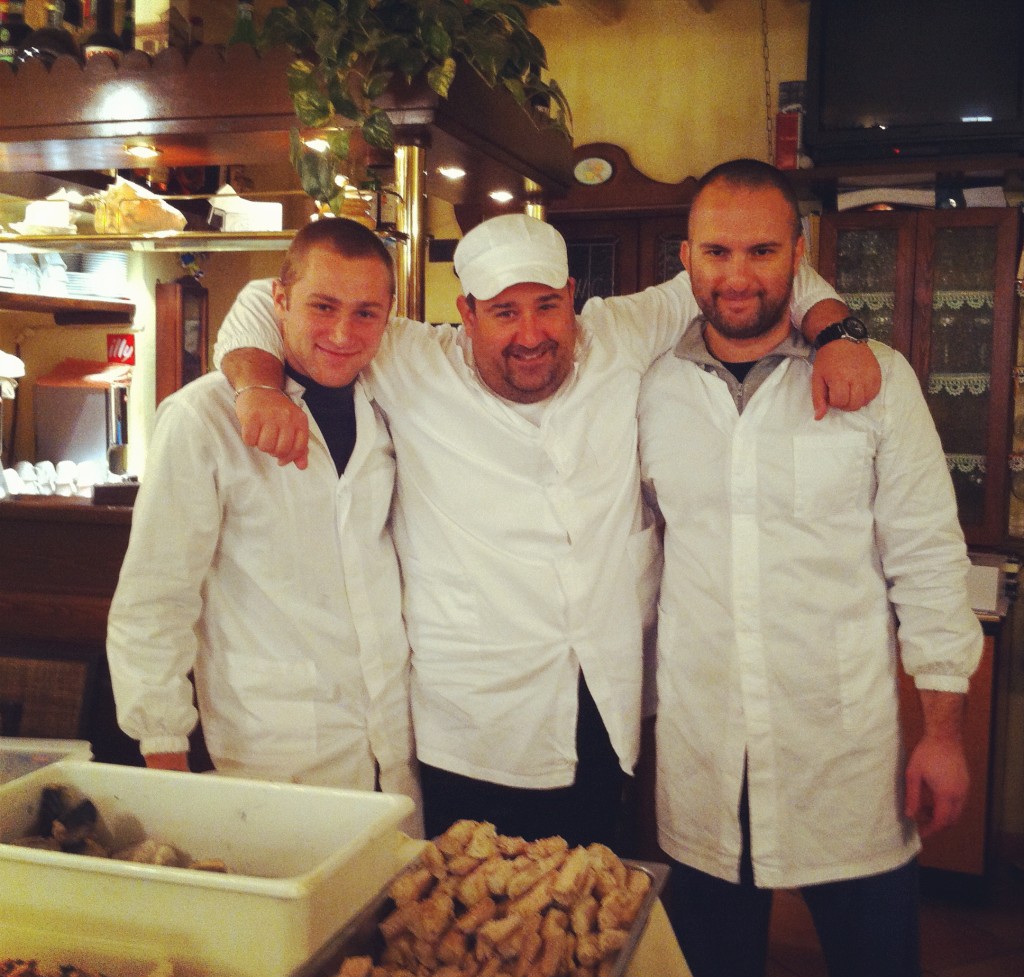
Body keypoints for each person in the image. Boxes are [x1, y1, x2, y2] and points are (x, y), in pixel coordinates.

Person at [213, 212, 880, 850]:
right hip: (473, 725)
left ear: (571, 296)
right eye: (503, 312)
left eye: (546, 307)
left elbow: (754, 277)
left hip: (604, 709)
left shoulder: (619, 331)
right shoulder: (410, 358)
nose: (530, 334)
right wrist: (257, 387)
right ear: (467, 313)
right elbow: (257, 299)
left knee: (590, 916)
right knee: (472, 927)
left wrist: (840, 334)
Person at [637, 159, 983, 977]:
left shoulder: (879, 381)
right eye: (717, 251)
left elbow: (930, 561)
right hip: (703, 752)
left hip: (844, 757)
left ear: (800, 253)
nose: (738, 274)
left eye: (762, 249)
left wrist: (941, 733)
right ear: (687, 258)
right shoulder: (649, 391)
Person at [107, 218, 421, 830]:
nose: (341, 332)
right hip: (273, 754)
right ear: (278, 301)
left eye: (366, 314)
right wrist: (164, 754)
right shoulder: (203, 419)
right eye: (321, 306)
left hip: (395, 749)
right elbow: (154, 600)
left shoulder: (387, 405)